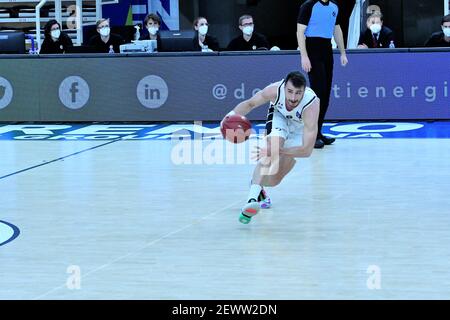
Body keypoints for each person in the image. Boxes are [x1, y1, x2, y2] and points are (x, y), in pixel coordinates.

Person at [221, 71, 320, 224]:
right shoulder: (274, 90)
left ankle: (257, 185)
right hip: (279, 117)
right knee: (270, 151)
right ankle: (251, 200)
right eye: (290, 91)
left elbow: (306, 151)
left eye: (298, 93)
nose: (293, 98)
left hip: (299, 129)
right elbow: (249, 104)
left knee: (274, 179)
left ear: (304, 91)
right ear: (284, 86)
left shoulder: (311, 105)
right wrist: (228, 117)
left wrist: (279, 151)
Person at [297, 0, 348, 149]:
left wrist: (343, 52)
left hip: (327, 49)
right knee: (317, 94)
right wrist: (304, 56)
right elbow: (300, 32)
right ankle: (311, 136)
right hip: (312, 49)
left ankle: (318, 133)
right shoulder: (308, 5)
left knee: (325, 95)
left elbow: (337, 29)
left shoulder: (334, 7)